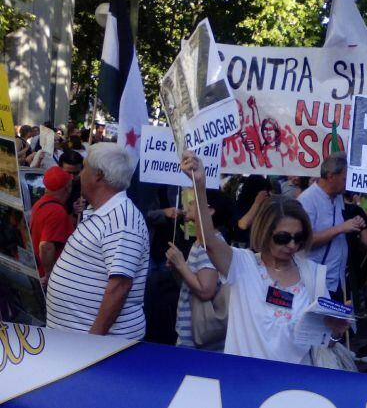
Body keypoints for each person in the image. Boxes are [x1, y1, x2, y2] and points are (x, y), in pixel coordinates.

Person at [179, 151, 350, 363]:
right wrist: (200, 187)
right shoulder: (242, 265)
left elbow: (322, 342)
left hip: (294, 388)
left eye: (299, 237)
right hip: (244, 383)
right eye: (283, 237)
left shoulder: (313, 275)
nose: (292, 244)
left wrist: (334, 332)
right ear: (265, 233)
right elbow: (209, 242)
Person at [45, 143, 150, 339]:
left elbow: (120, 285)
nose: (79, 175)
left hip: (97, 347)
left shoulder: (122, 219)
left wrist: (93, 341)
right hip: (75, 342)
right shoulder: (101, 212)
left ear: (98, 175)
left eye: (84, 168)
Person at [165, 190, 232, 350]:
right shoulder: (202, 244)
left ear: (210, 210)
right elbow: (190, 285)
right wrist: (178, 268)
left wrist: (181, 264)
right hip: (193, 337)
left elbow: (205, 290)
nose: (188, 205)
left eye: (193, 202)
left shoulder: (207, 247)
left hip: (197, 343)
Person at [298, 152, 366, 298]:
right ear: (330, 177)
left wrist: (353, 224)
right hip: (315, 283)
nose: (347, 184)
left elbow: (339, 226)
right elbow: (304, 241)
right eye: (344, 179)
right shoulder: (307, 200)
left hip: (336, 280)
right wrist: (341, 228)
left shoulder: (337, 198)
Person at [30, 166, 74, 285]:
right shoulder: (56, 211)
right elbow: (46, 246)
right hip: (48, 278)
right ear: (67, 188)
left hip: (38, 271)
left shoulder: (40, 203)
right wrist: (49, 274)